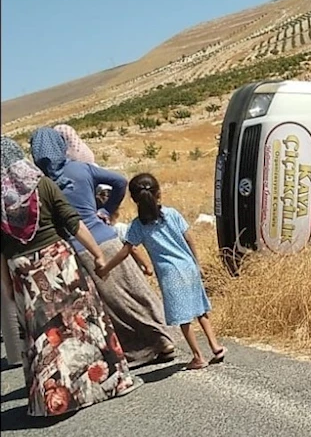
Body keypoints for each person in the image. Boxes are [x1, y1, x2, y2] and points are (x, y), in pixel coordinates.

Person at [0, 137, 142, 417]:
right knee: (83, 324)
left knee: (44, 337)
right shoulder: (42, 183)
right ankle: (109, 383)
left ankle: (52, 402)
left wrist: (8, 288)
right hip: (60, 262)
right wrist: (98, 255)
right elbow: (71, 221)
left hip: (24, 272)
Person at [29, 127, 176, 367]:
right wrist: (105, 211)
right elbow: (119, 181)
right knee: (136, 290)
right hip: (108, 239)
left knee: (113, 304)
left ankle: (143, 348)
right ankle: (164, 338)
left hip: (81, 249)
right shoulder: (80, 168)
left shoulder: (42, 184)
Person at [97, 173, 227, 370]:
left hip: (169, 274)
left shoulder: (137, 226)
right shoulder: (172, 214)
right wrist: (196, 262)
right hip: (188, 266)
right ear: (159, 194)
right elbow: (189, 238)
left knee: (184, 319)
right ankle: (215, 347)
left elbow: (125, 251)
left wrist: (105, 268)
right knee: (200, 310)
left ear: (133, 199)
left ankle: (198, 356)